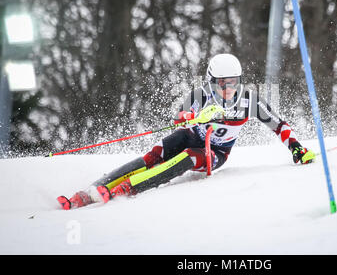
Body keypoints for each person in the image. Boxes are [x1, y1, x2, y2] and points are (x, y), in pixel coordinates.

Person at [58, 53, 315, 210]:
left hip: (215, 152)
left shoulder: (250, 101)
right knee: (157, 153)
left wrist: (295, 148)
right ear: (211, 82)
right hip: (191, 135)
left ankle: (126, 188)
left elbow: (278, 124)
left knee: (188, 158)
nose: (228, 89)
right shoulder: (199, 96)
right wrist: (192, 117)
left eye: (233, 83)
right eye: (222, 84)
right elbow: (179, 118)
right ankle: (93, 189)